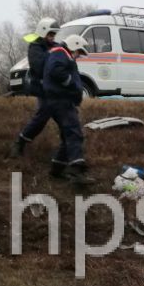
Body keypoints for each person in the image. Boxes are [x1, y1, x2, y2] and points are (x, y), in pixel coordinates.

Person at [40, 33, 95, 186]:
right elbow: (56, 71)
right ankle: (76, 171)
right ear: (73, 46)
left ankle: (56, 170)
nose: (78, 56)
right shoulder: (60, 53)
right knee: (74, 133)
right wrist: (71, 84)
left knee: (67, 136)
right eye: (78, 52)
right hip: (61, 101)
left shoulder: (59, 53)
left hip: (59, 101)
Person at [11, 17, 61, 156]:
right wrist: (53, 56)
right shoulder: (35, 47)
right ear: (43, 32)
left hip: (57, 90)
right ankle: (19, 142)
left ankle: (67, 151)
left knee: (67, 120)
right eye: (50, 34)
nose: (52, 37)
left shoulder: (56, 47)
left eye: (54, 35)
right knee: (42, 116)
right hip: (43, 89)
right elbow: (39, 67)